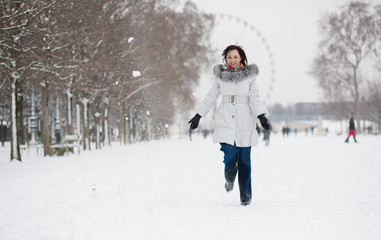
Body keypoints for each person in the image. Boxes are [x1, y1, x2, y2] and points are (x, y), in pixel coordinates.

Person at [188, 45, 270, 206]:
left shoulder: (250, 77)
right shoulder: (221, 77)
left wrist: (261, 115)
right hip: (225, 120)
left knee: (245, 161)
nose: (232, 60)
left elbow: (255, 96)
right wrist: (199, 115)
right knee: (230, 155)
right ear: (225, 59)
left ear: (242, 58)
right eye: (229, 57)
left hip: (245, 121)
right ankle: (229, 176)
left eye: (235, 57)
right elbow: (211, 96)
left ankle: (246, 197)